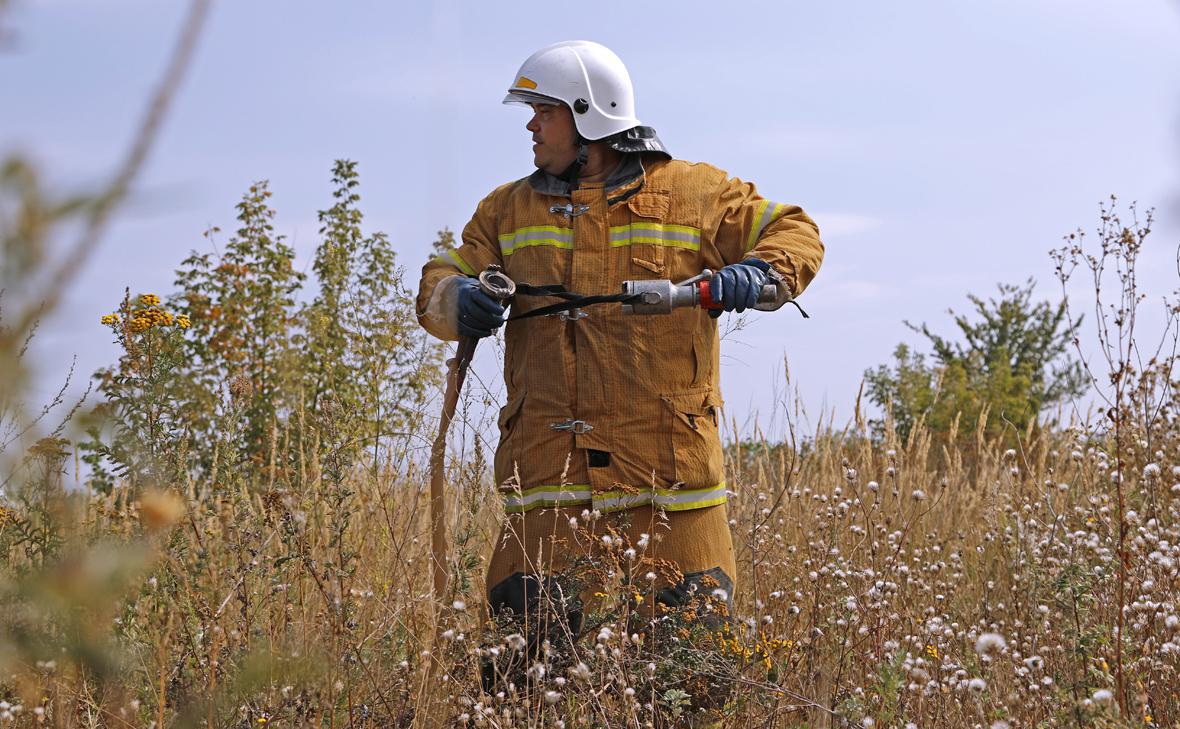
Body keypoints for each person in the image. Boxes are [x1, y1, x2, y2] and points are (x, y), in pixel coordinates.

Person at [416, 39, 823, 709]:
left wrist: (758, 276)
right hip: (547, 487)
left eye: (542, 111)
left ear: (588, 115)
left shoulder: (697, 194)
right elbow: (441, 280)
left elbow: (795, 231)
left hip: (671, 492)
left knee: (691, 685)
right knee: (522, 684)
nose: (530, 127)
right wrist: (460, 300)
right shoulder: (505, 211)